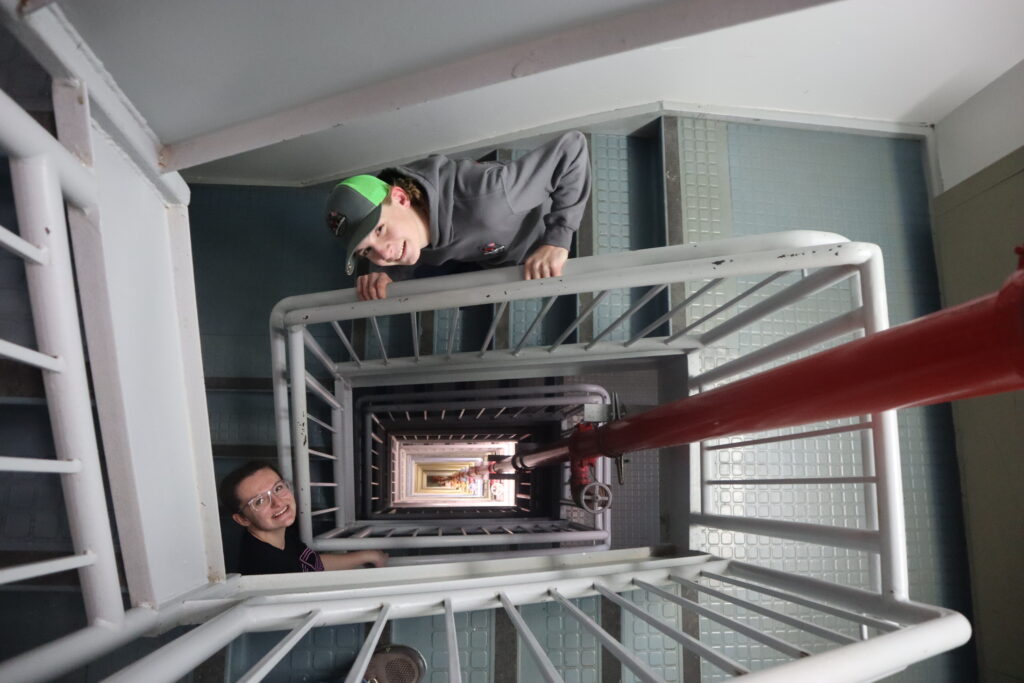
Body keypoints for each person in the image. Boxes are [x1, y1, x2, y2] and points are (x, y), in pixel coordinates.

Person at [325, 130, 591, 300]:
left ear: (401, 197)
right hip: (484, 252)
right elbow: (387, 249)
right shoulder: (405, 233)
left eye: (380, 230)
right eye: (367, 251)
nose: (384, 255)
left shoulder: (491, 198)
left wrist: (557, 239)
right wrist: (383, 274)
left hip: (534, 241)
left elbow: (573, 149)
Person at [219, 461, 388, 575]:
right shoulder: (270, 567)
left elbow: (309, 563)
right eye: (260, 501)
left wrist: (366, 555)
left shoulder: (278, 532)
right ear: (242, 519)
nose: (277, 503)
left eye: (277, 488)